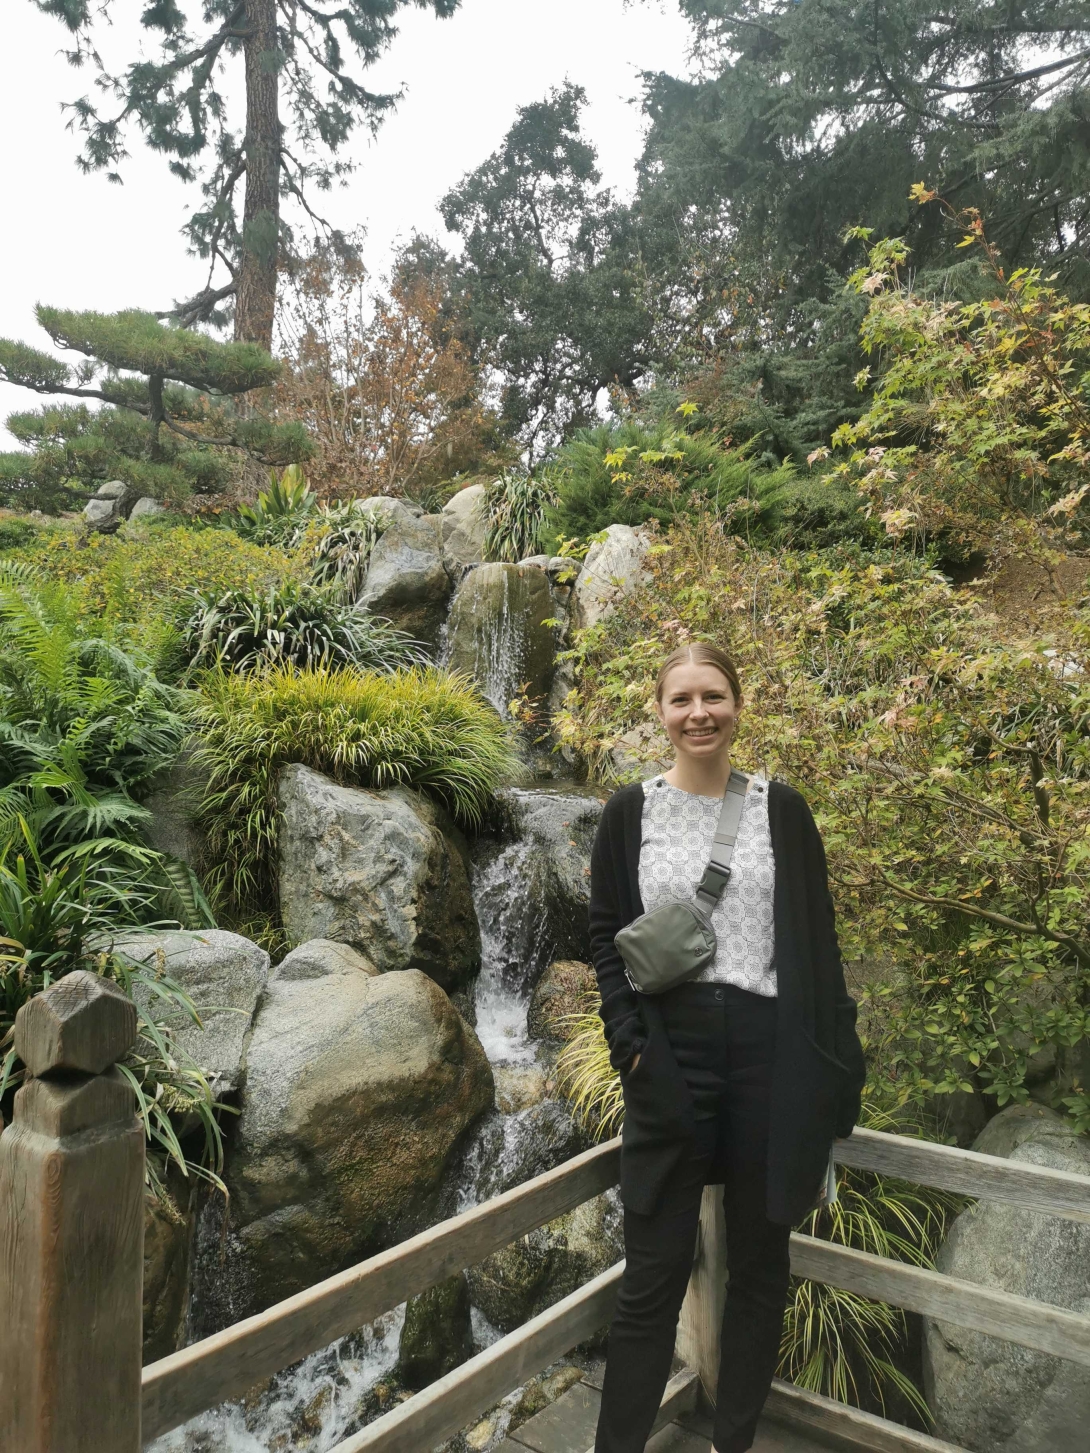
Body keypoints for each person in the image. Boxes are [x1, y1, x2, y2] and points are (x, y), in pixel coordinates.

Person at [590, 642, 866, 1453]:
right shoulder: (628, 812)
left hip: (766, 1054)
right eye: (682, 699)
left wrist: (837, 1064)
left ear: (739, 704)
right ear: (661, 712)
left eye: (713, 695)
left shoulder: (783, 808)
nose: (698, 712)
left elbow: (818, 941)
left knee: (760, 1266)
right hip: (668, 1051)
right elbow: (606, 933)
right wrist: (629, 1044)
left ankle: (731, 1441)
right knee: (651, 1277)